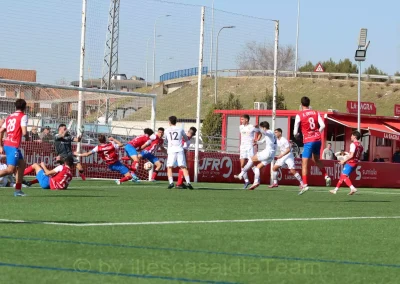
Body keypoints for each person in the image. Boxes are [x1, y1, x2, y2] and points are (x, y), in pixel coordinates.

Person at [293, 96, 331, 195]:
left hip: (309, 141)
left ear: (301, 105)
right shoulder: (315, 112)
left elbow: (295, 132)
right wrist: (317, 132)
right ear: (309, 104)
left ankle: (305, 185)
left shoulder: (299, 115)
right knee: (316, 159)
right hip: (318, 139)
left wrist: (297, 136)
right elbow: (323, 125)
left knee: (304, 163)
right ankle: (326, 176)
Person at [234, 121, 276, 190]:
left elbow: (265, 132)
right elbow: (262, 141)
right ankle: (256, 181)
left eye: (262, 128)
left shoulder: (269, 132)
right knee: (257, 167)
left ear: (264, 128)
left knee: (251, 159)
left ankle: (241, 175)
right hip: (271, 156)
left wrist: (258, 128)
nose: (261, 129)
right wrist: (256, 142)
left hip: (267, 152)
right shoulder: (271, 134)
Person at [0, 99, 28, 196]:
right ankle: (17, 191)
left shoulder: (9, 117)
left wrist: (0, 145)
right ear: (25, 107)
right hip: (13, 145)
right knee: (10, 170)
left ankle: (18, 190)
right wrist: (27, 137)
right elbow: (24, 132)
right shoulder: (23, 116)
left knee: (21, 165)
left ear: (15, 107)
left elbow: (1, 131)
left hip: (8, 144)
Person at [330, 131, 364, 195]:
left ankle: (352, 188)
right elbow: (360, 156)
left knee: (344, 176)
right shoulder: (361, 146)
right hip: (356, 163)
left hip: (351, 162)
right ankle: (335, 190)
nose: (351, 137)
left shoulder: (353, 144)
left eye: (352, 135)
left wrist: (344, 161)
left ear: (355, 137)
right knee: (343, 176)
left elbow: (351, 155)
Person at [164, 116, 192, 189]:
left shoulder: (167, 130)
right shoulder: (180, 129)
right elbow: (186, 139)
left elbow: (166, 141)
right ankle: (188, 183)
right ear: (176, 122)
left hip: (171, 150)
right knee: (183, 167)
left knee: (169, 167)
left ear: (169, 122)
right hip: (179, 149)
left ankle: (171, 183)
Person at [238, 114, 261, 189]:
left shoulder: (251, 127)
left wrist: (257, 140)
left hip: (250, 147)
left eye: (242, 119)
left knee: (252, 164)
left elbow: (260, 133)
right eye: (241, 119)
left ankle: (257, 178)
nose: (241, 121)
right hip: (242, 147)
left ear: (246, 120)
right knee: (242, 164)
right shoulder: (240, 127)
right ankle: (247, 181)